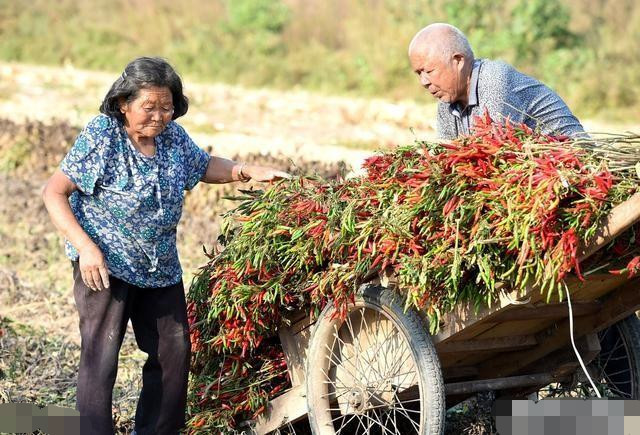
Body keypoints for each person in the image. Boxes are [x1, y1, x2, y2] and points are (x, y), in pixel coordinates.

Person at [41, 57, 289, 435]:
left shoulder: (172, 137)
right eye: (149, 107)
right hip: (104, 263)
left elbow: (203, 165)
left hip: (159, 266)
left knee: (172, 355)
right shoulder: (103, 136)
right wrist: (86, 247)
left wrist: (244, 171)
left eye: (167, 107)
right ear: (124, 103)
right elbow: (54, 192)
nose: (158, 117)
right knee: (102, 356)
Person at [408, 23, 586, 139]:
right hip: (527, 173)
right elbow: (447, 157)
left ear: (459, 61)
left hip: (572, 163)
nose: (424, 81)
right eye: (419, 73)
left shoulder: (494, 80)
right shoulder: (447, 101)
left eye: (429, 71)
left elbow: (493, 152)